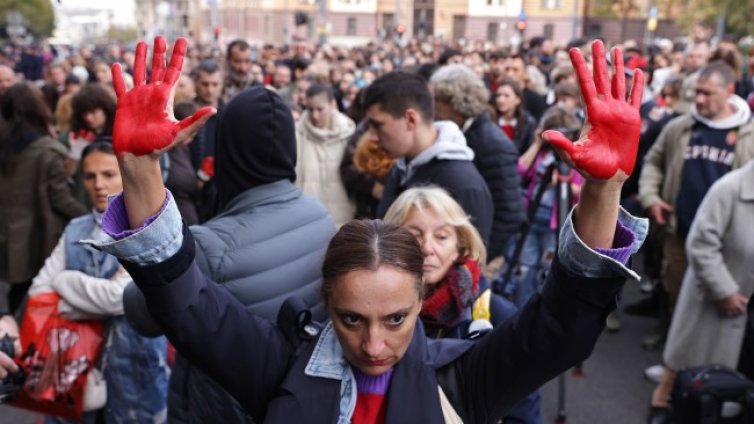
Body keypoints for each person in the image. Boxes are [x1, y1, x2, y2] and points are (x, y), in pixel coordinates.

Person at [81, 37, 647, 424]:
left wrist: (603, 189)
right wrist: (137, 168)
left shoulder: (460, 378)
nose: (374, 346)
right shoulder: (276, 366)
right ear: (327, 301)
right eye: (352, 319)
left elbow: (563, 326)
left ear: (420, 298)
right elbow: (183, 299)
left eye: (395, 319)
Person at [115, 39, 335, 424]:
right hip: (296, 401)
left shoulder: (211, 245)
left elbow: (141, 313)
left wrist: (139, 172)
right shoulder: (321, 215)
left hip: (221, 408)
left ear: (227, 149)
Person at [25, 142, 169, 423]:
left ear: (126, 174)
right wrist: (99, 297)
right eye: (90, 176)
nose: (98, 185)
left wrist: (66, 283)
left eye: (108, 174)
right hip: (74, 366)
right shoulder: (76, 228)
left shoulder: (147, 227)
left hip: (134, 367)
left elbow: (120, 296)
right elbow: (39, 291)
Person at [383, 186, 543, 423]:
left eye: (441, 237)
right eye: (414, 235)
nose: (427, 248)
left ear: (460, 245)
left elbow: (523, 409)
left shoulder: (496, 315)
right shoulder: (375, 309)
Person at [638, 62, 754, 359]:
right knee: (676, 293)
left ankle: (710, 373)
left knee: (721, 304)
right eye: (696, 92)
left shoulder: (748, 133)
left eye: (707, 93)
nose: (699, 100)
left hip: (728, 243)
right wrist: (651, 196)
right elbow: (653, 161)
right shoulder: (681, 127)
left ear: (729, 91)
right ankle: (673, 358)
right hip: (680, 229)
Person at [648, 159, 754, 423]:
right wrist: (724, 291)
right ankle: (663, 408)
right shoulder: (729, 188)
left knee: (734, 393)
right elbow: (701, 244)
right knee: (686, 379)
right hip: (714, 304)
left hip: (748, 319)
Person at [368, 70, 494, 247]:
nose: (372, 137)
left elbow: (470, 263)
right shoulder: (402, 167)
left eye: (378, 125)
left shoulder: (463, 183)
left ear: (410, 119)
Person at [0, 82, 87, 313]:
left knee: (15, 293)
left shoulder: (8, 146)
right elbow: (60, 198)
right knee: (34, 294)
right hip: (39, 233)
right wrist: (90, 218)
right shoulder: (47, 150)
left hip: (10, 230)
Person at [429, 64, 525, 262]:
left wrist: (479, 258)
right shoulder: (457, 134)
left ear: (454, 101)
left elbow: (510, 212)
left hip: (476, 256)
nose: (433, 107)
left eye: (437, 100)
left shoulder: (493, 144)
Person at [504, 107, 584, 307]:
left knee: (546, 271)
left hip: (555, 224)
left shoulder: (574, 158)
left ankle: (542, 314)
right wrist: (537, 143)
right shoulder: (542, 153)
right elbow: (519, 170)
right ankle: (521, 314)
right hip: (531, 220)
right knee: (524, 269)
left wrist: (565, 183)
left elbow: (586, 191)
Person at [295, 83, 356, 227]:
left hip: (344, 216)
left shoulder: (349, 133)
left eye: (320, 109)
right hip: (307, 219)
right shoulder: (296, 134)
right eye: (310, 109)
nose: (315, 115)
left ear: (333, 104)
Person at [494, 79, 538, 155]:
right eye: (498, 95)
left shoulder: (528, 123)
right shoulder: (491, 120)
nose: (500, 100)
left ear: (518, 99)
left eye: (506, 96)